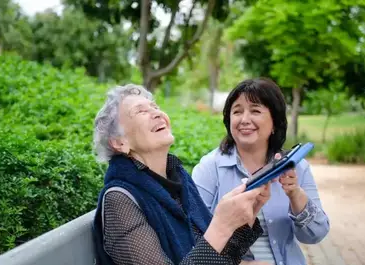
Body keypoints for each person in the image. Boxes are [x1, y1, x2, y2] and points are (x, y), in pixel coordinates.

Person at [91, 84, 273, 265]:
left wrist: (247, 212)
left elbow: (219, 257)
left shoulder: (178, 178)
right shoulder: (119, 200)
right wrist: (222, 226)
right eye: (140, 111)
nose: (157, 113)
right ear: (119, 142)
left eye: (155, 107)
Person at [191, 78, 330, 265]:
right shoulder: (210, 167)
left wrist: (295, 194)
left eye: (255, 111)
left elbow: (315, 235)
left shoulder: (297, 166)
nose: (244, 120)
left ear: (275, 122)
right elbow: (192, 237)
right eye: (237, 111)